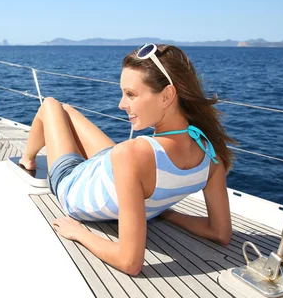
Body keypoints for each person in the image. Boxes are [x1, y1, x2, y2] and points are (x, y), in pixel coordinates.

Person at [19, 43, 235, 276]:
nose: (121, 104)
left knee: (51, 105)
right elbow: (219, 233)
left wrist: (80, 233)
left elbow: (129, 262)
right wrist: (165, 212)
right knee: (67, 111)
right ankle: (33, 154)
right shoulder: (211, 154)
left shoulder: (132, 155)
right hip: (111, 167)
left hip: (74, 182)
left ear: (167, 96)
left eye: (131, 94)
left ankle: (27, 160)